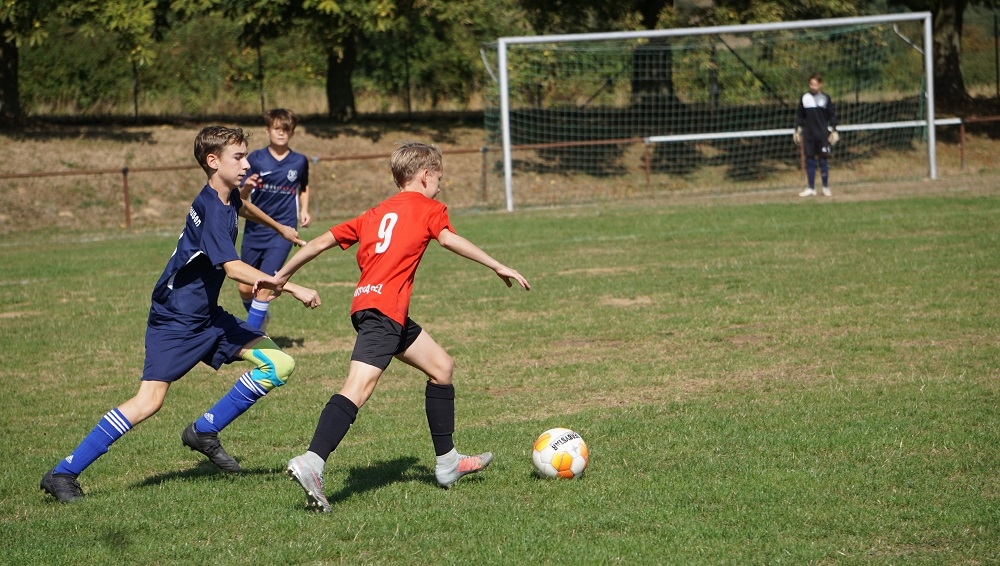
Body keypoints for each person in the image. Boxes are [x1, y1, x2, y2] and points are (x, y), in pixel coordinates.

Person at [40, 126, 322, 504]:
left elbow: (242, 207)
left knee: (279, 364)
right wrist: (291, 286)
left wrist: (279, 228)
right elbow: (234, 268)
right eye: (239, 157)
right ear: (213, 161)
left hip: (206, 315)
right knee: (148, 401)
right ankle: (63, 472)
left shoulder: (225, 196)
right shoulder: (211, 207)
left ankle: (204, 430)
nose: (247, 164)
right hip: (176, 318)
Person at [254, 141, 531, 513]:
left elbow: (320, 242)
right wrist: (496, 264)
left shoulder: (375, 212)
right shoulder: (429, 209)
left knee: (442, 367)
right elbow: (449, 239)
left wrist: (281, 275)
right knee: (358, 387)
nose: (440, 187)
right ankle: (312, 462)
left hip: (372, 308)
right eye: (439, 179)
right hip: (384, 313)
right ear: (425, 175)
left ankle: (447, 462)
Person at [238, 108, 313, 332]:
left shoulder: (299, 161)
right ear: (267, 131)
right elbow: (241, 200)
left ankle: (251, 337)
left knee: (264, 286)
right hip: (255, 229)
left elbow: (303, 187)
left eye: (286, 129)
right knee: (244, 288)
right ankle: (260, 317)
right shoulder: (256, 158)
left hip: (284, 232)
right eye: (276, 129)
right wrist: (246, 188)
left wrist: (304, 210)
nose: (281, 133)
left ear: (292, 132)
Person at [794, 73, 838, 197]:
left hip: (822, 134)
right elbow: (800, 116)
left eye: (815, 84)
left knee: (823, 160)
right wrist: (797, 130)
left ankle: (825, 187)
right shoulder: (804, 98)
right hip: (809, 135)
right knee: (810, 160)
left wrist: (834, 130)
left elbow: (831, 115)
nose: (813, 87)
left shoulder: (825, 98)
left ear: (820, 84)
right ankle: (811, 188)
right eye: (811, 84)